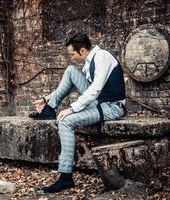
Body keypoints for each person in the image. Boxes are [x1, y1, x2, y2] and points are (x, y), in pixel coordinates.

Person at [28, 32, 126, 193]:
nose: (72, 57)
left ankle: (65, 177)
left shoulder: (102, 57)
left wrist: (72, 108)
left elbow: (95, 89)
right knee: (71, 70)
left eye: (72, 54)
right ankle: (49, 109)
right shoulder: (89, 61)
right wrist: (46, 99)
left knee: (66, 121)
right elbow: (78, 85)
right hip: (100, 102)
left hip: (111, 107)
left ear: (82, 51)